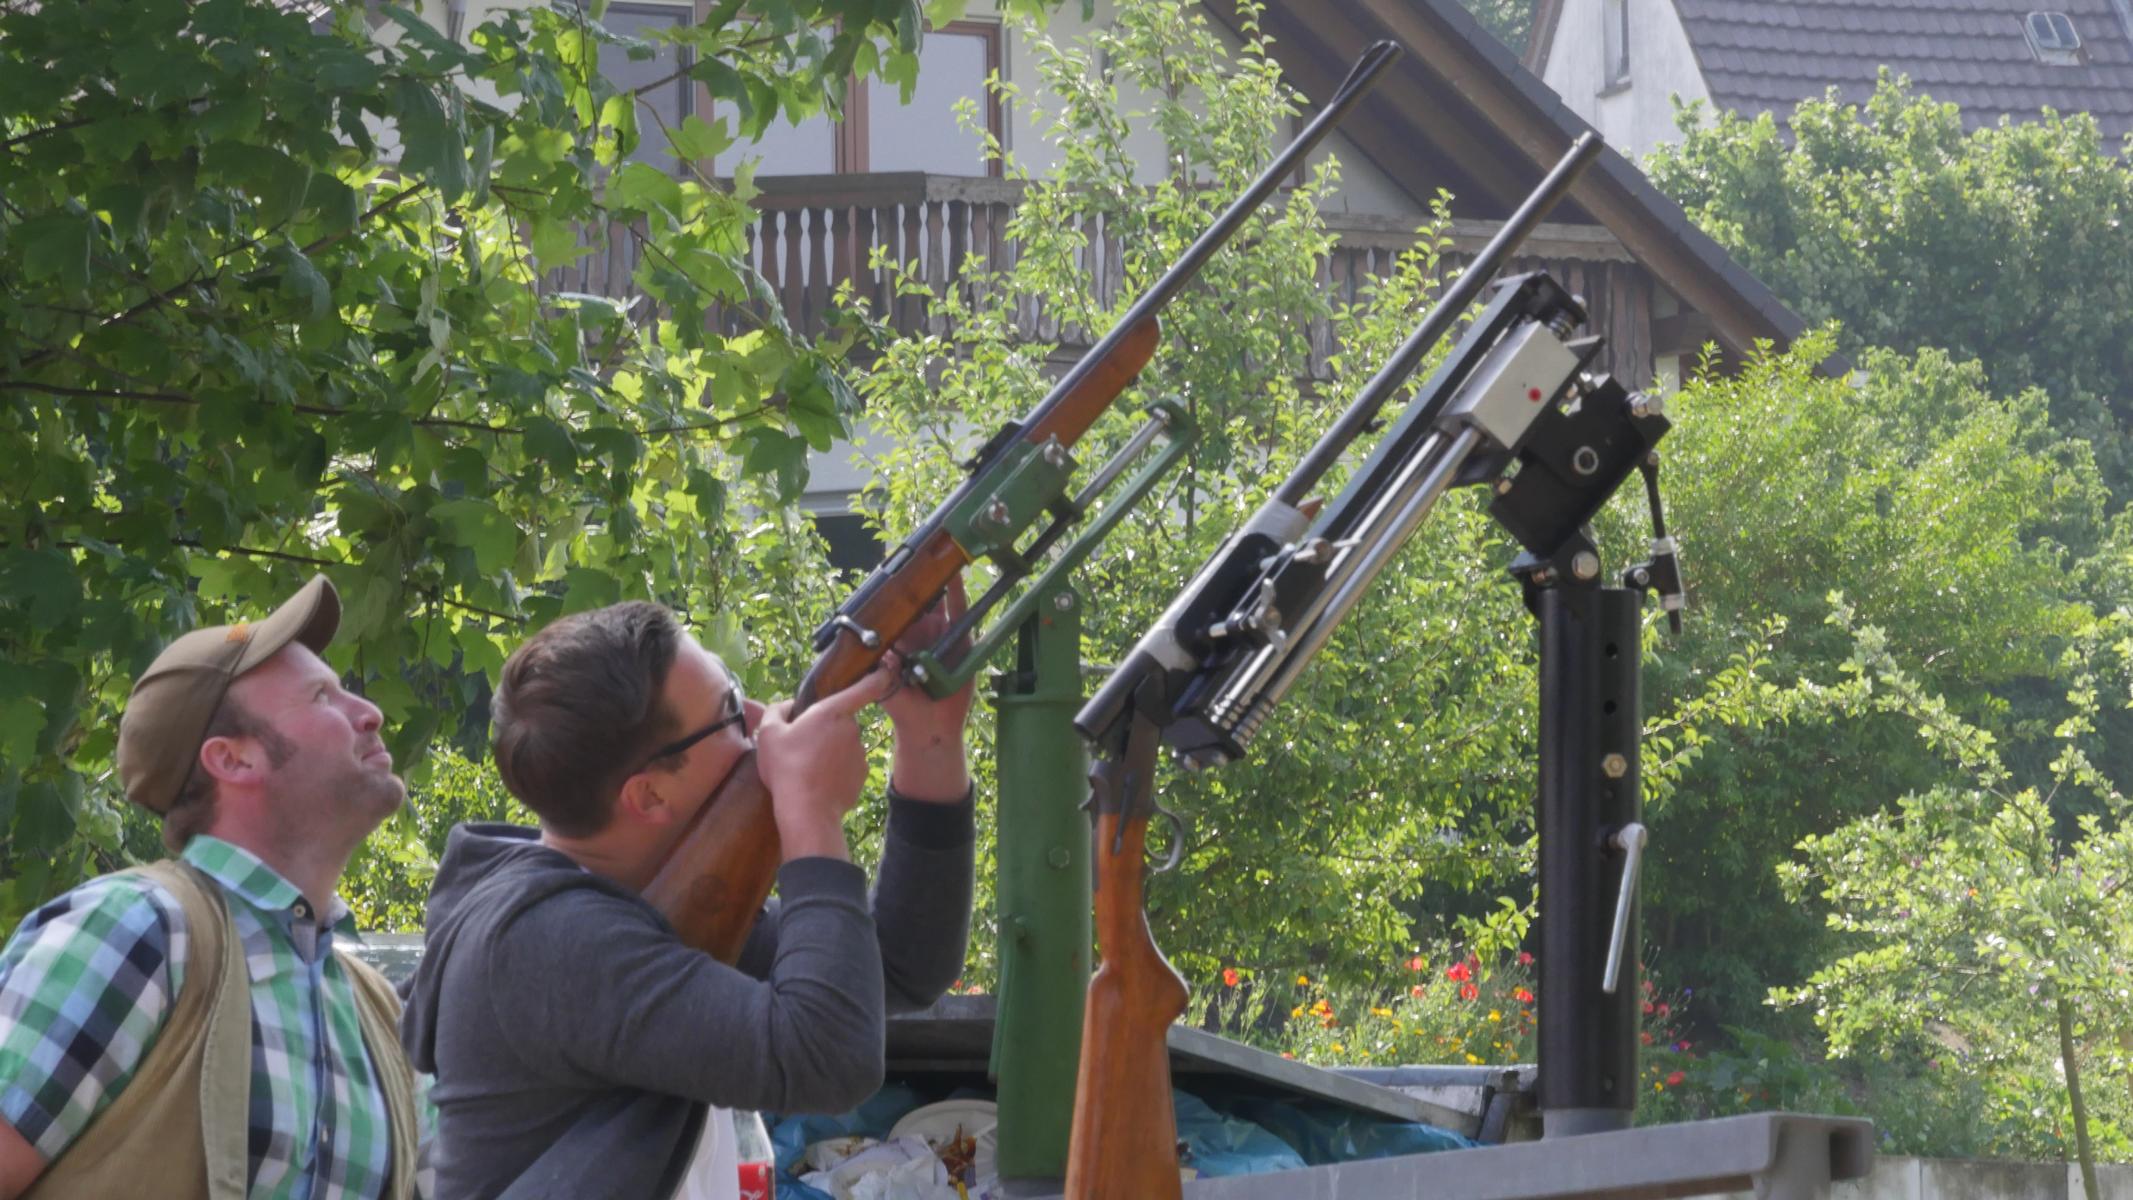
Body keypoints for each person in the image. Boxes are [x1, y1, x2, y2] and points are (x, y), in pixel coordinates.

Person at [399, 593, 977, 1200]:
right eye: (730, 711)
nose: (760, 719)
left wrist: (931, 742)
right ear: (648, 796)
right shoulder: (547, 940)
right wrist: (811, 813)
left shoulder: (626, 906)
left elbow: (900, 968)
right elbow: (829, 1060)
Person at [0, 574, 425, 1199]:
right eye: (322, 697)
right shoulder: (136, 930)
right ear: (232, 759)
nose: (369, 713)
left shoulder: (380, 1012)